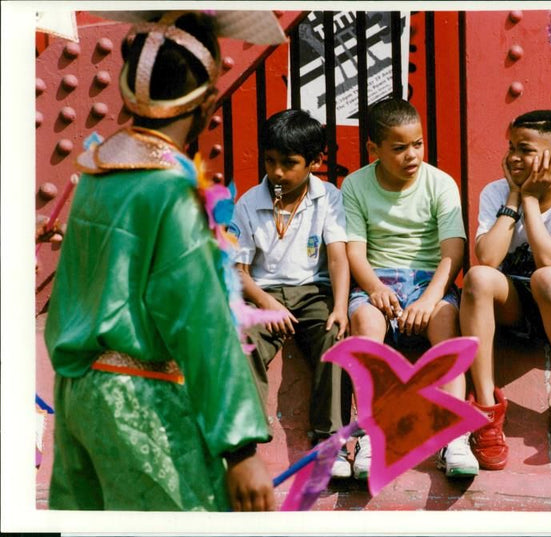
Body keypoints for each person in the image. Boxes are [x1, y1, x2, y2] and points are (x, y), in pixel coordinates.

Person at [44, 11, 276, 511]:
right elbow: (200, 319)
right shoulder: (171, 188)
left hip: (78, 394)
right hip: (144, 401)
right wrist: (240, 450)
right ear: (207, 99)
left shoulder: (97, 172)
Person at [341, 97, 478, 479]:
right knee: (367, 326)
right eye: (399, 148)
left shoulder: (440, 183)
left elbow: (453, 249)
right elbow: (355, 248)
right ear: (374, 149)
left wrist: (431, 298)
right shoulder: (355, 185)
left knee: (447, 325)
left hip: (428, 280)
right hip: (377, 279)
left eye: (417, 144)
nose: (411, 155)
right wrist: (372, 287)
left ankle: (455, 438)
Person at [460, 110, 551, 470]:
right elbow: (488, 259)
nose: (512, 157)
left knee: (547, 278)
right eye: (511, 147)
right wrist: (512, 197)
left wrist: (531, 200)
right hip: (517, 307)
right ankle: (487, 411)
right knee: (477, 278)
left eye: (524, 149)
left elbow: (547, 259)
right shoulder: (496, 191)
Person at [231, 108, 354, 478]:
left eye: (289, 163)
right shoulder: (249, 203)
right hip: (262, 294)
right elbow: (238, 272)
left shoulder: (328, 197)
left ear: (315, 162)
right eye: (270, 161)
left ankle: (329, 441)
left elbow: (337, 260)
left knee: (335, 337)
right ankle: (245, 442)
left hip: (314, 293)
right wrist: (267, 303)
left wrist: (342, 307)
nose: (278, 172)